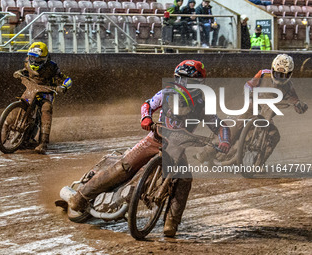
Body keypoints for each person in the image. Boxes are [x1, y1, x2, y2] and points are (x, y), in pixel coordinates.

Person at [69, 60, 231, 237]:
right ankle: (81, 197)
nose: (184, 84)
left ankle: (171, 223)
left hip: (177, 147)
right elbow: (147, 104)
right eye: (181, 79)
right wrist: (145, 118)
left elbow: (219, 125)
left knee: (183, 180)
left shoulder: (201, 104)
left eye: (189, 81)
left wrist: (224, 141)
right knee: (123, 166)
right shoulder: (166, 93)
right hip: (155, 138)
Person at [13, 42, 72, 154]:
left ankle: (43, 142)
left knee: (46, 109)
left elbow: (67, 79)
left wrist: (64, 87)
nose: (34, 62)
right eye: (32, 58)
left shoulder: (52, 67)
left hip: (47, 92)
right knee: (20, 105)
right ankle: (10, 130)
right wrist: (19, 72)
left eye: (38, 60)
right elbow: (25, 71)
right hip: (31, 89)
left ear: (45, 59)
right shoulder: (26, 62)